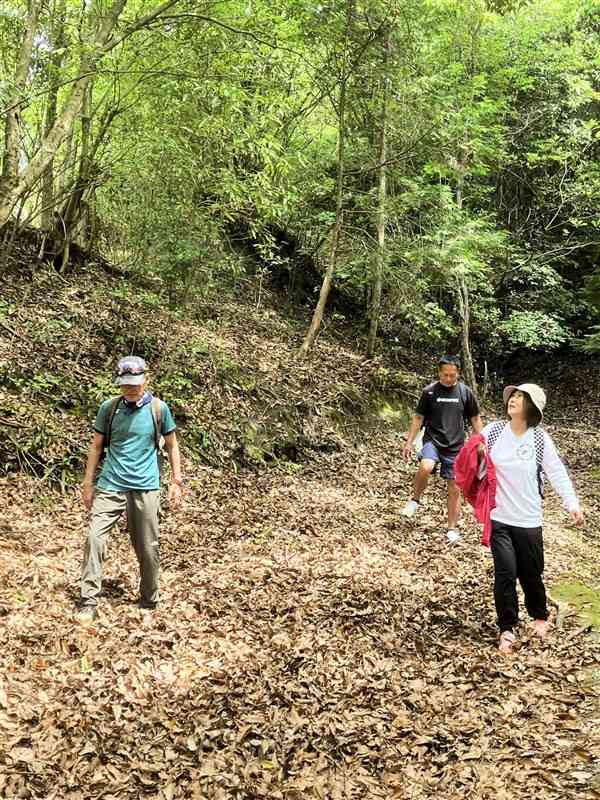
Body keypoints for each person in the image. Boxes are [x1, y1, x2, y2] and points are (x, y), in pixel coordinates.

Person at [480, 383, 584, 655]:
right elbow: (473, 459)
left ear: (531, 408)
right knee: (505, 573)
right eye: (512, 396)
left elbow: (556, 472)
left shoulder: (539, 440)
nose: (513, 400)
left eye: (520, 397)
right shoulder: (492, 431)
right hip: (499, 516)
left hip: (528, 519)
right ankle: (507, 628)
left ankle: (539, 616)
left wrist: (572, 504)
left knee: (530, 573)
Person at [77, 356, 183, 621]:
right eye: (126, 384)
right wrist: (88, 483)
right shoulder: (109, 409)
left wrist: (176, 481)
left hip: (145, 486)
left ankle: (149, 599)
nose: (132, 388)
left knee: (147, 546)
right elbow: (96, 446)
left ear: (146, 380)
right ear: (119, 383)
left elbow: (172, 445)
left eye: (136, 383)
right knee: (94, 538)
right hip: (111, 484)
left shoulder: (159, 409)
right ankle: (88, 600)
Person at [401, 355, 483, 541]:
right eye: (445, 375)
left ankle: (451, 529)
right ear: (439, 373)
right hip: (433, 440)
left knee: (454, 487)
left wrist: (482, 441)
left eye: (452, 375)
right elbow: (418, 418)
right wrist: (409, 442)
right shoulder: (429, 392)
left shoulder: (465, 392)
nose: (448, 378)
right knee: (426, 466)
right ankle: (415, 500)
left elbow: (475, 419)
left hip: (456, 446)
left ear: (458, 374)